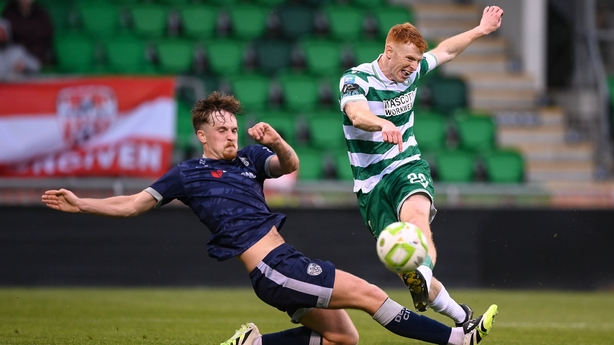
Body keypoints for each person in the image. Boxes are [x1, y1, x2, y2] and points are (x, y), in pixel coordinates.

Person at [42, 92, 498, 345]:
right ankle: (456, 340)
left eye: (233, 129)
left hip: (282, 264)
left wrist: (278, 141)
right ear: (201, 134)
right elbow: (134, 204)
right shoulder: (188, 174)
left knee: (344, 340)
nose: (230, 135)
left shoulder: (249, 159)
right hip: (272, 268)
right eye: (221, 130)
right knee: (370, 293)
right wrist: (82, 203)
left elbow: (291, 164)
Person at [337, 5, 504, 326]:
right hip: (370, 185)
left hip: (405, 163)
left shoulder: (413, 71)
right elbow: (357, 114)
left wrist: (481, 30)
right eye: (408, 60)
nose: (414, 67)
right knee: (405, 264)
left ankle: (424, 274)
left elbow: (446, 51)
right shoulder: (355, 79)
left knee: (415, 220)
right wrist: (380, 123)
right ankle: (463, 317)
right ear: (389, 51)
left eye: (417, 61)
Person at [2, 0, 54, 66]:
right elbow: (5, 37)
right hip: (12, 57)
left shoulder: (41, 13)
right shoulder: (9, 12)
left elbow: (45, 36)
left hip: (36, 57)